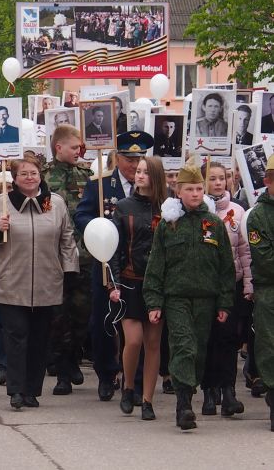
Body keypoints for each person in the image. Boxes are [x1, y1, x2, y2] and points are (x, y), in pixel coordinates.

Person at [0, 156, 79, 409]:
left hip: (47, 281)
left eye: (33, 172)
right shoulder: (2, 202)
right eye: (23, 174)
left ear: (40, 174)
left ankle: (32, 389)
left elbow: (67, 238)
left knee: (39, 338)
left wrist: (69, 270)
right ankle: (16, 390)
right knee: (16, 336)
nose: (29, 177)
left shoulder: (53, 203)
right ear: (15, 178)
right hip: (13, 281)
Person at [143, 160, 235, 431]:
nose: (195, 194)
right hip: (177, 299)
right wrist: (154, 301)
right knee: (184, 346)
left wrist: (225, 302)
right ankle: (183, 406)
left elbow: (225, 268)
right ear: (178, 192)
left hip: (206, 299)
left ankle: (188, 393)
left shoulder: (215, 224)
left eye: (198, 188)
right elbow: (156, 266)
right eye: (190, 189)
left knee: (198, 353)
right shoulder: (168, 224)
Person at [75, 131, 155, 402]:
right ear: (117, 158)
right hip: (107, 261)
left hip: (139, 265)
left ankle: (136, 377)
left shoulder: (149, 188)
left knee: (139, 325)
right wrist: (99, 229)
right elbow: (82, 214)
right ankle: (107, 374)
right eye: (129, 159)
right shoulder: (100, 185)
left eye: (139, 159)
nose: (134, 166)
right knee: (104, 321)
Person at [108, 156, 167, 420]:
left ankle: (148, 400)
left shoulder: (168, 208)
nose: (139, 175)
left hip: (157, 285)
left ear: (155, 176)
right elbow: (114, 248)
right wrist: (113, 282)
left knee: (153, 343)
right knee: (133, 341)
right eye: (138, 171)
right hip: (130, 281)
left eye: (145, 172)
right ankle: (128, 386)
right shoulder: (123, 206)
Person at [43, 125, 92, 395]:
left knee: (82, 315)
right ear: (59, 147)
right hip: (55, 258)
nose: (79, 151)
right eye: (74, 147)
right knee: (58, 317)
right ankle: (62, 370)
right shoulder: (43, 178)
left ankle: (74, 357)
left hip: (84, 255)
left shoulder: (88, 176)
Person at [199, 161, 251, 417]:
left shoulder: (238, 211)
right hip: (206, 286)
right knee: (209, 339)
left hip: (231, 284)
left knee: (229, 338)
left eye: (223, 178)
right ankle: (209, 391)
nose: (218, 182)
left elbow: (244, 251)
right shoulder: (198, 212)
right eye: (213, 178)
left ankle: (229, 391)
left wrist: (248, 284)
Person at [246, 154, 274, 431]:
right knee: (270, 346)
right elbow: (264, 259)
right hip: (269, 292)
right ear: (267, 180)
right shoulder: (258, 216)